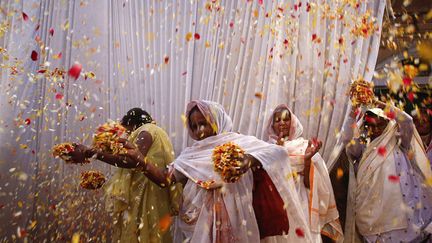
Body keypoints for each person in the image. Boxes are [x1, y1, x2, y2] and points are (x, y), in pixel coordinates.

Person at [76, 100, 313, 242]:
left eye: (204, 123)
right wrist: (141, 161)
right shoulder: (191, 154)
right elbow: (166, 179)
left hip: (237, 220)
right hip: (199, 221)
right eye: (194, 125)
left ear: (217, 120)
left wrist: (248, 160)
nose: (200, 130)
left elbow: (277, 154)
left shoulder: (239, 142)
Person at [71, 108, 181, 243]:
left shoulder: (146, 130)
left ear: (133, 124)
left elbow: (131, 161)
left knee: (141, 234)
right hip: (156, 190)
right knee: (153, 233)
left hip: (146, 190)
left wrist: (91, 153)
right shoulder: (158, 132)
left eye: (127, 130)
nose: (127, 134)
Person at [341, 100, 432, 242]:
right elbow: (346, 139)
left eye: (380, 125)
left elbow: (407, 121)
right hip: (370, 213)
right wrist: (352, 113)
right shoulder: (364, 146)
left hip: (398, 215)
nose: (376, 129)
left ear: (388, 123)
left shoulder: (399, 140)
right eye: (371, 126)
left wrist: (381, 105)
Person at [265, 104, 343, 242]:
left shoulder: (304, 146)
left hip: (301, 200)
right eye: (277, 120)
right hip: (277, 203)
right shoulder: (265, 149)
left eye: (286, 119)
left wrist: (307, 161)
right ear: (272, 125)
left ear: (293, 122)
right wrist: (277, 151)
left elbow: (308, 183)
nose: (282, 123)